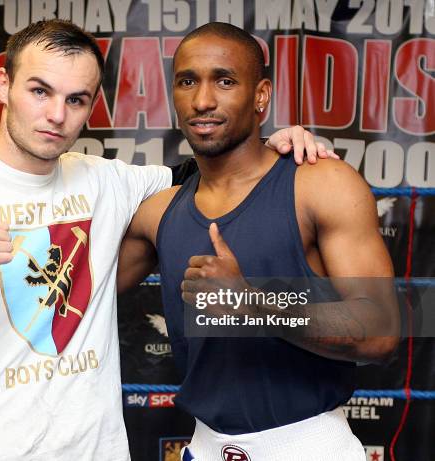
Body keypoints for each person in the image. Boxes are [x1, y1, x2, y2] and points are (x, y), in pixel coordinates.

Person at [0, 20, 332, 460]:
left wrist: (275, 144)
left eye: (76, 100)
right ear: (3, 82)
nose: (56, 115)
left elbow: (216, 171)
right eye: (39, 91)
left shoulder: (108, 182)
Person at [117, 22, 399, 461]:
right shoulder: (159, 211)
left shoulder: (320, 184)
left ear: (261, 96)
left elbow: (381, 333)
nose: (203, 100)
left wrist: (254, 305)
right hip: (205, 447)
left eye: (225, 81)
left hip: (309, 447)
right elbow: (74, 294)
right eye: (187, 81)